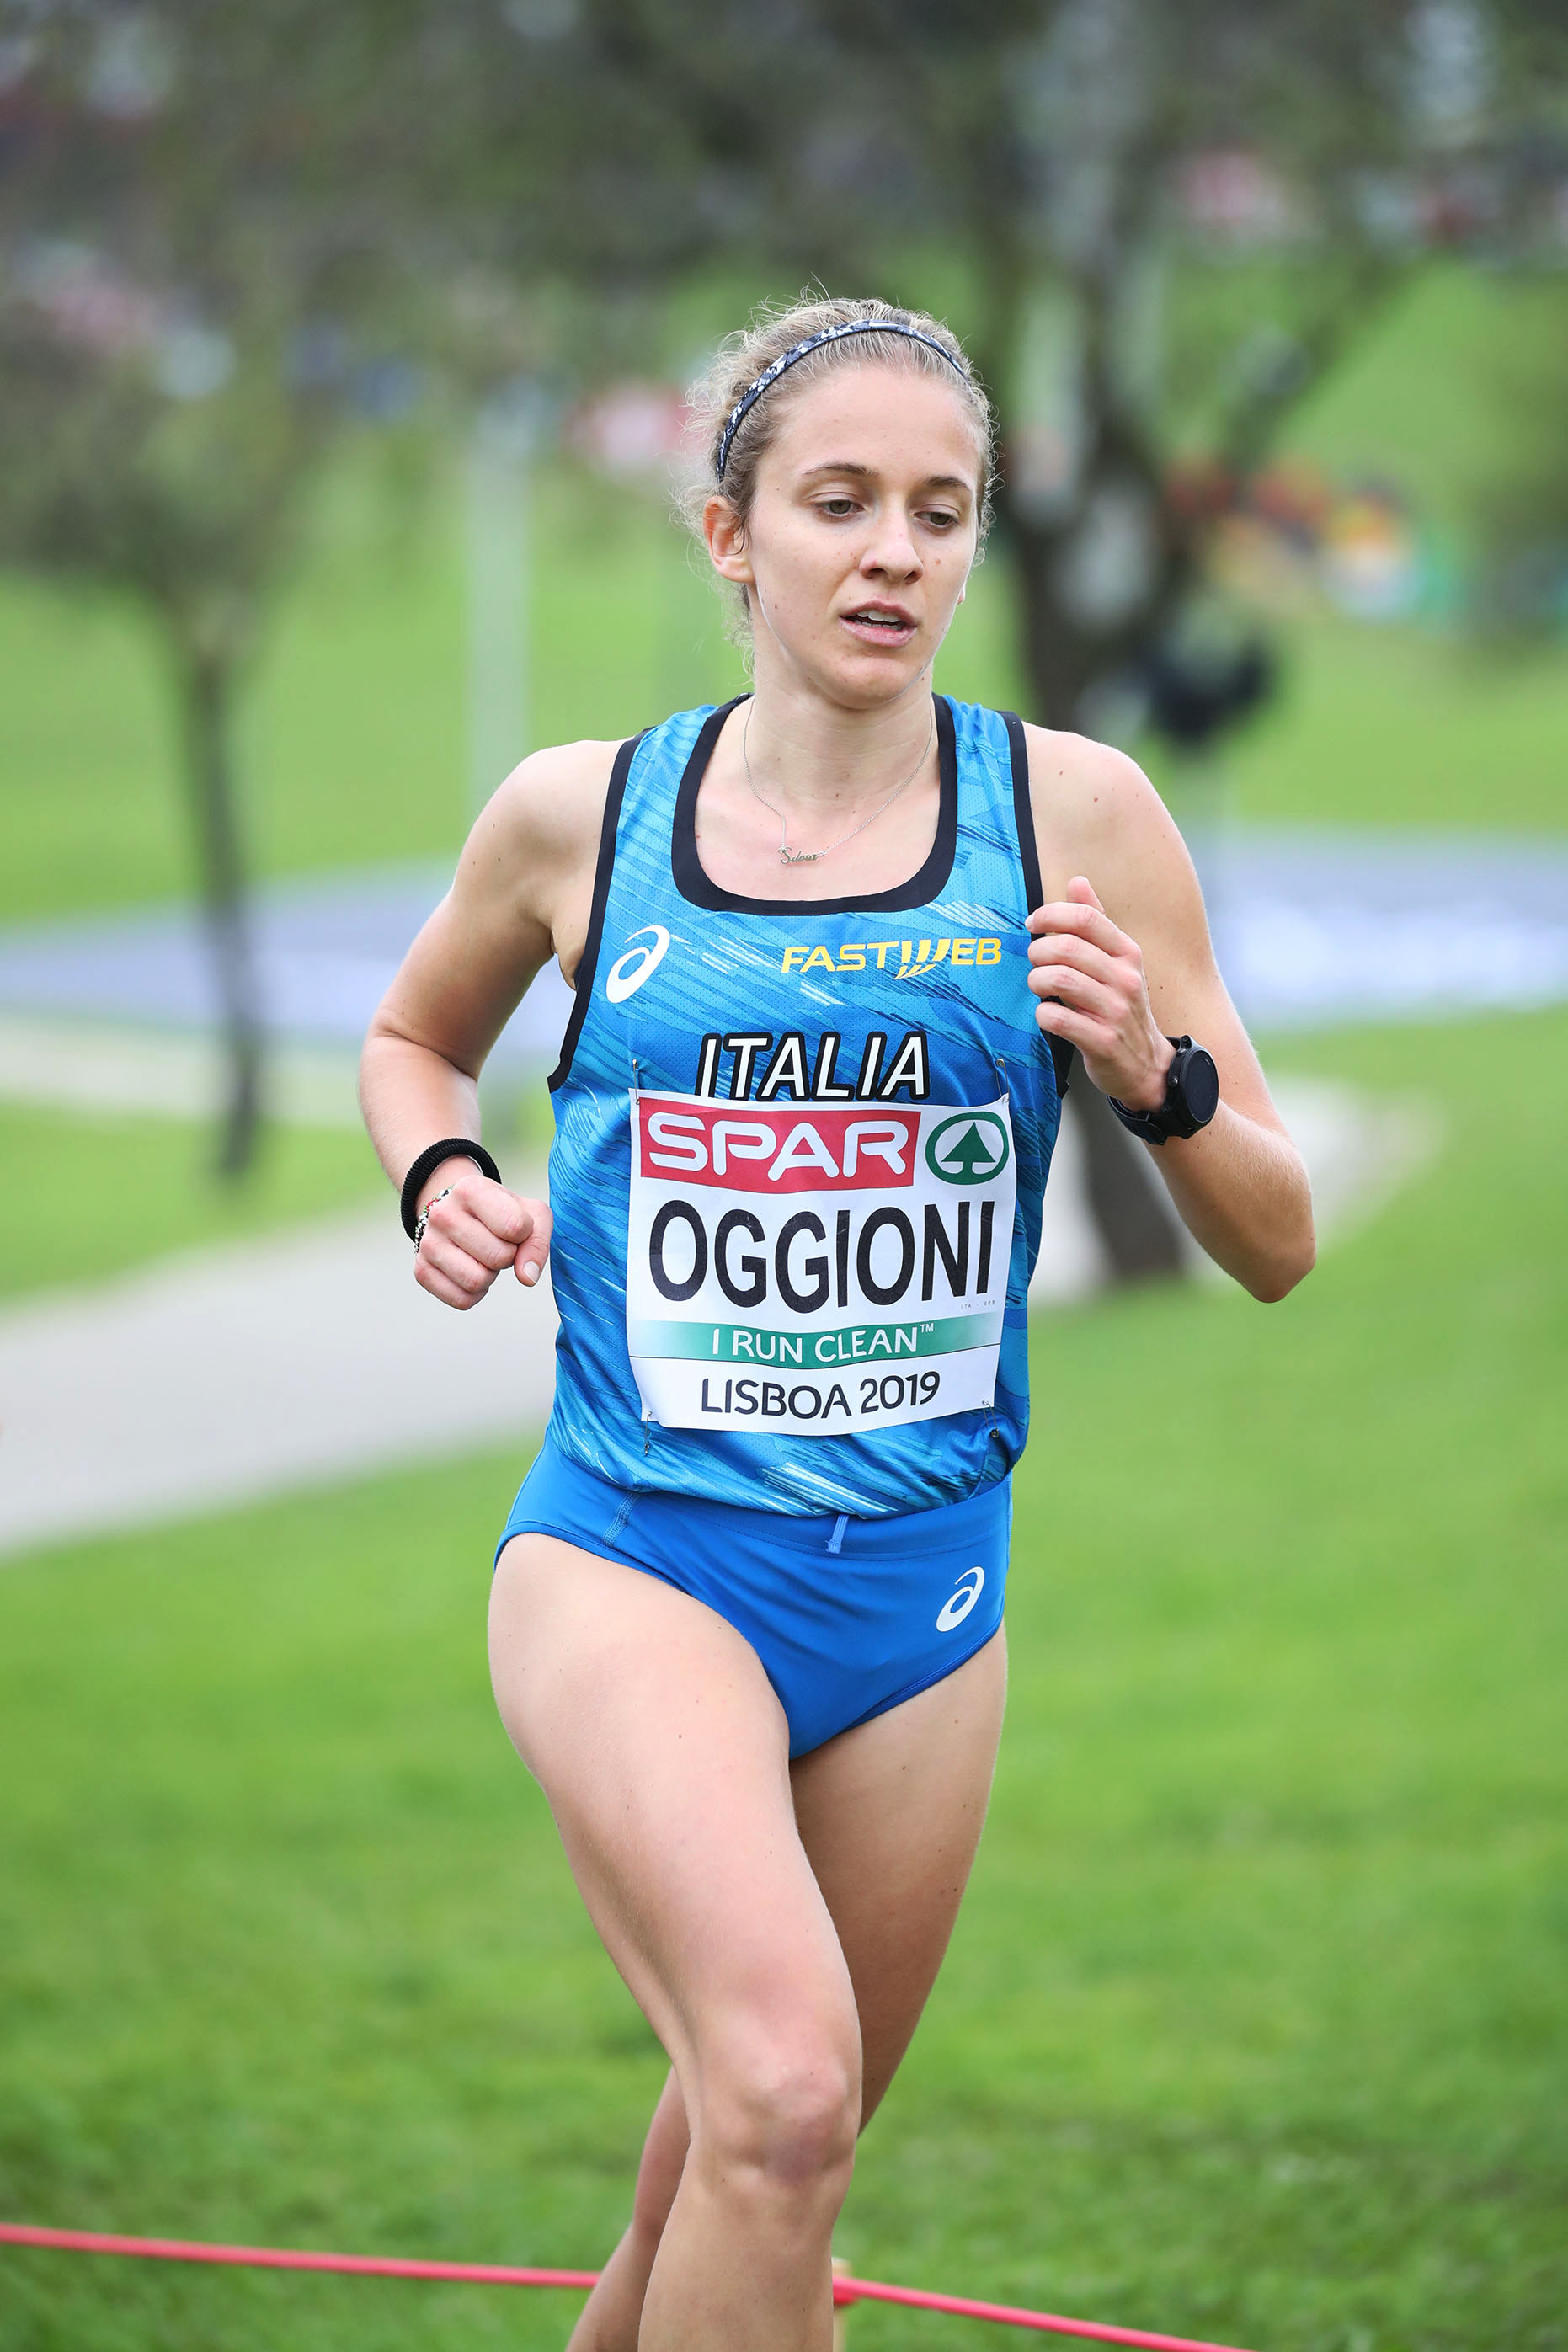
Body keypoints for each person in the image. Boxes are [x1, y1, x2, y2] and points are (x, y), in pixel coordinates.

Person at [360, 295, 1315, 2352]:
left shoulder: (1075, 817)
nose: (895, 552)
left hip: (921, 1602)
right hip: (639, 1554)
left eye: (940, 512)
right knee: (785, 2100)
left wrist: (1148, 1072)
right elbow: (409, 1036)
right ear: (732, 533)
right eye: (841, 502)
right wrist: (438, 1173)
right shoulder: (583, 815)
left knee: (740, 2158)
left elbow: (1276, 1237)